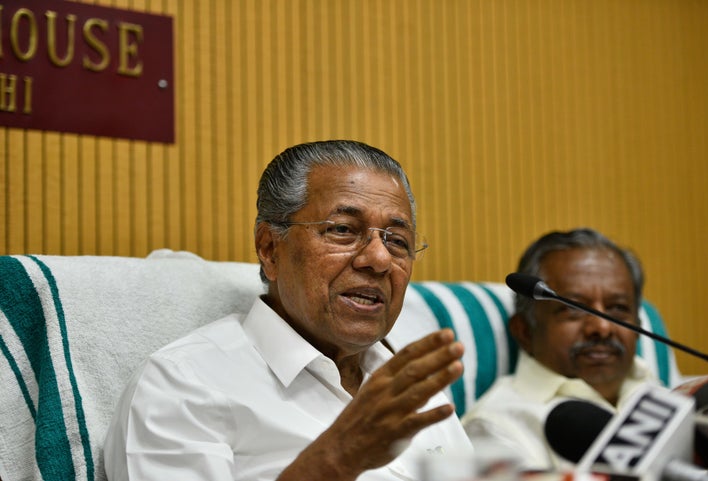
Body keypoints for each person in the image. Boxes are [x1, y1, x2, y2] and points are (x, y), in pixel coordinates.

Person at [103, 140, 474, 481]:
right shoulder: (184, 385)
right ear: (269, 249)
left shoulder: (414, 388)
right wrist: (337, 459)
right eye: (343, 229)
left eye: (397, 241)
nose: (378, 259)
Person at [461, 228, 660, 471]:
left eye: (618, 307)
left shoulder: (664, 394)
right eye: (573, 309)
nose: (602, 326)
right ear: (524, 331)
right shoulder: (497, 426)